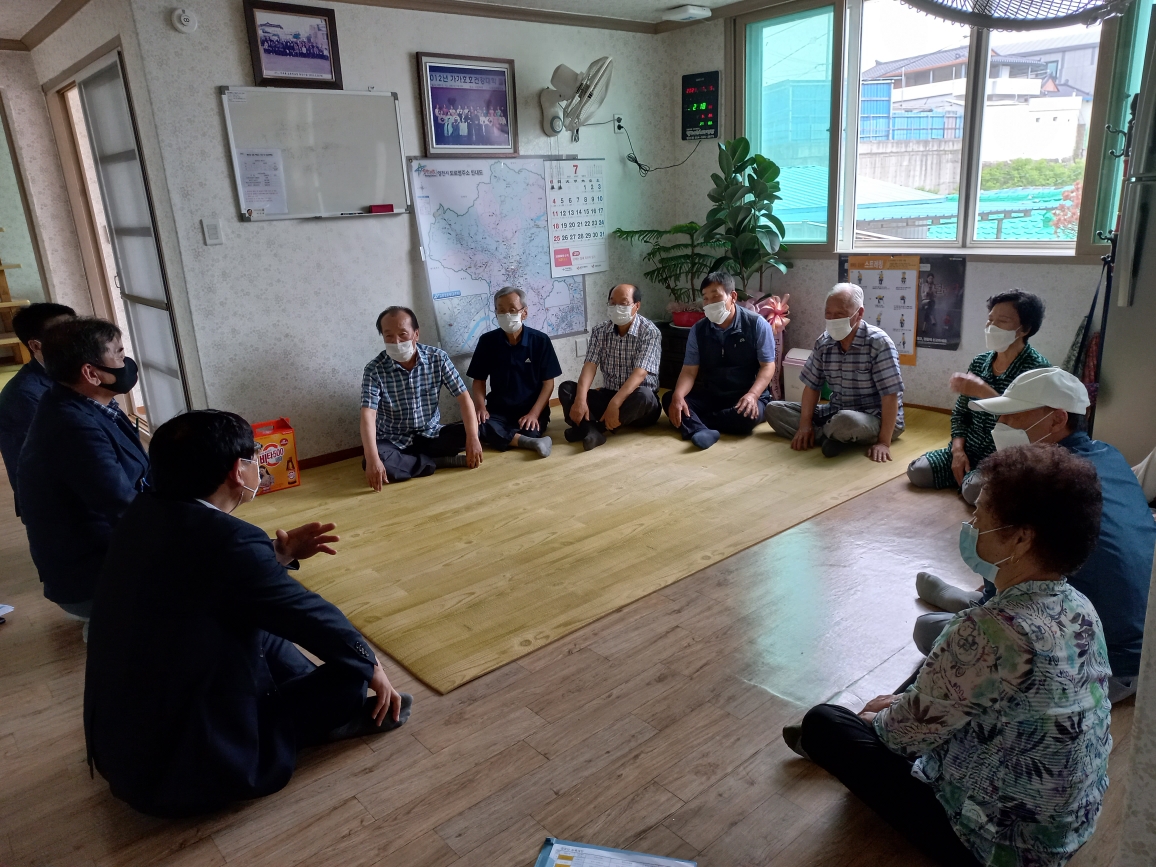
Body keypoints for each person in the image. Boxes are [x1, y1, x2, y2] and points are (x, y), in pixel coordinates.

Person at [787, 444, 1111, 867]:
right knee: (938, 667)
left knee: (825, 723)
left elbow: (898, 738)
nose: (971, 525)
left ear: (1021, 537)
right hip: (1068, 826)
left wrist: (875, 719)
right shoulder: (1080, 606)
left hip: (998, 849)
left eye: (981, 516)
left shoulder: (989, 630)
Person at [84, 410, 411, 817]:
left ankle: (300, 702)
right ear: (238, 472)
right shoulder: (230, 541)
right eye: (254, 454)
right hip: (186, 765)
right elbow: (311, 616)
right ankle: (303, 726)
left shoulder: (145, 511)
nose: (259, 462)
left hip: (126, 747)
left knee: (269, 629)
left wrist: (280, 554)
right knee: (351, 674)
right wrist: (372, 665)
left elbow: (208, 578)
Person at [914, 367, 1156, 702]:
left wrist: (984, 616)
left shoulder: (1037, 486)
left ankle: (972, 607)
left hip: (1097, 665)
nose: (1001, 426)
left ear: (1057, 419)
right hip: (1141, 641)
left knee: (926, 630)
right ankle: (970, 603)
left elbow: (1002, 565)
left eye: (1013, 417)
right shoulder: (1107, 454)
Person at [17, 318, 149, 639]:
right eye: (119, 354)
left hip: (105, 552)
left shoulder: (86, 403)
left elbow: (140, 473)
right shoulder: (72, 426)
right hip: (91, 574)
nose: (127, 363)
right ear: (91, 373)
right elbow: (122, 506)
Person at [907, 290, 1049, 504]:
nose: (991, 326)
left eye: (1002, 321)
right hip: (969, 448)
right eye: (990, 319)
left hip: (1005, 458)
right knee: (917, 471)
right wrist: (957, 451)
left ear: (1025, 329)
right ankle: (967, 476)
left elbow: (1025, 426)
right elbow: (960, 414)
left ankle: (972, 481)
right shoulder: (980, 362)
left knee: (975, 490)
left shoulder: (1037, 370)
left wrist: (983, 391)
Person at [765, 283, 904, 461]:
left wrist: (884, 443)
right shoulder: (824, 343)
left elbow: (890, 396)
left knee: (846, 421)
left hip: (874, 417)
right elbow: (812, 387)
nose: (832, 319)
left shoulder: (879, 343)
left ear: (859, 313)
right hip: (836, 410)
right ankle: (833, 438)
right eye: (828, 314)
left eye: (839, 314)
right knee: (773, 409)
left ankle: (833, 435)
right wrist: (805, 424)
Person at [360, 306, 482, 489]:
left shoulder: (437, 358)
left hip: (430, 434)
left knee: (473, 431)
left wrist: (473, 438)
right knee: (376, 460)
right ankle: (438, 462)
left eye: (403, 334)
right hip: (393, 439)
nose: (396, 341)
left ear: (416, 334)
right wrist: (372, 460)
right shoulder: (374, 369)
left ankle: (413, 462)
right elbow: (368, 414)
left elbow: (464, 398)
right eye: (388, 336)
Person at [662, 271, 776, 450]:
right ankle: (702, 429)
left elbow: (767, 366)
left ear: (733, 296)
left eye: (715, 297)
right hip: (713, 394)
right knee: (671, 399)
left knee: (745, 418)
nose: (709, 303)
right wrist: (678, 396)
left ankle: (696, 424)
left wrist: (753, 395)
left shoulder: (756, 324)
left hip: (746, 396)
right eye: (705, 298)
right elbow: (689, 371)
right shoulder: (698, 330)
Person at [558, 284, 662, 451]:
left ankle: (592, 429)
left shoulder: (650, 332)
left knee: (645, 395)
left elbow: (640, 374)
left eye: (624, 303)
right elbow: (590, 366)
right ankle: (593, 430)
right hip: (608, 394)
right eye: (613, 303)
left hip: (638, 403)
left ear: (637, 305)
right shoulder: (600, 331)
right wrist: (580, 400)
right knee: (567, 389)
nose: (617, 307)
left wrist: (615, 404)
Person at [467, 287, 562, 458]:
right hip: (498, 410)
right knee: (478, 425)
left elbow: (548, 383)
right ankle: (528, 442)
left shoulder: (540, 341)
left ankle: (520, 438)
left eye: (512, 310)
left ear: (524, 313)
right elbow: (479, 380)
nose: (506, 315)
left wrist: (534, 414)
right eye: (501, 310)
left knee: (530, 429)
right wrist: (480, 407)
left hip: (530, 408)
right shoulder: (487, 342)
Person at [0, 302, 75, 515]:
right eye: (65, 333)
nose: (77, 338)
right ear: (35, 345)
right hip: (56, 506)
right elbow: (45, 463)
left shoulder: (70, 371)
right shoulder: (23, 395)